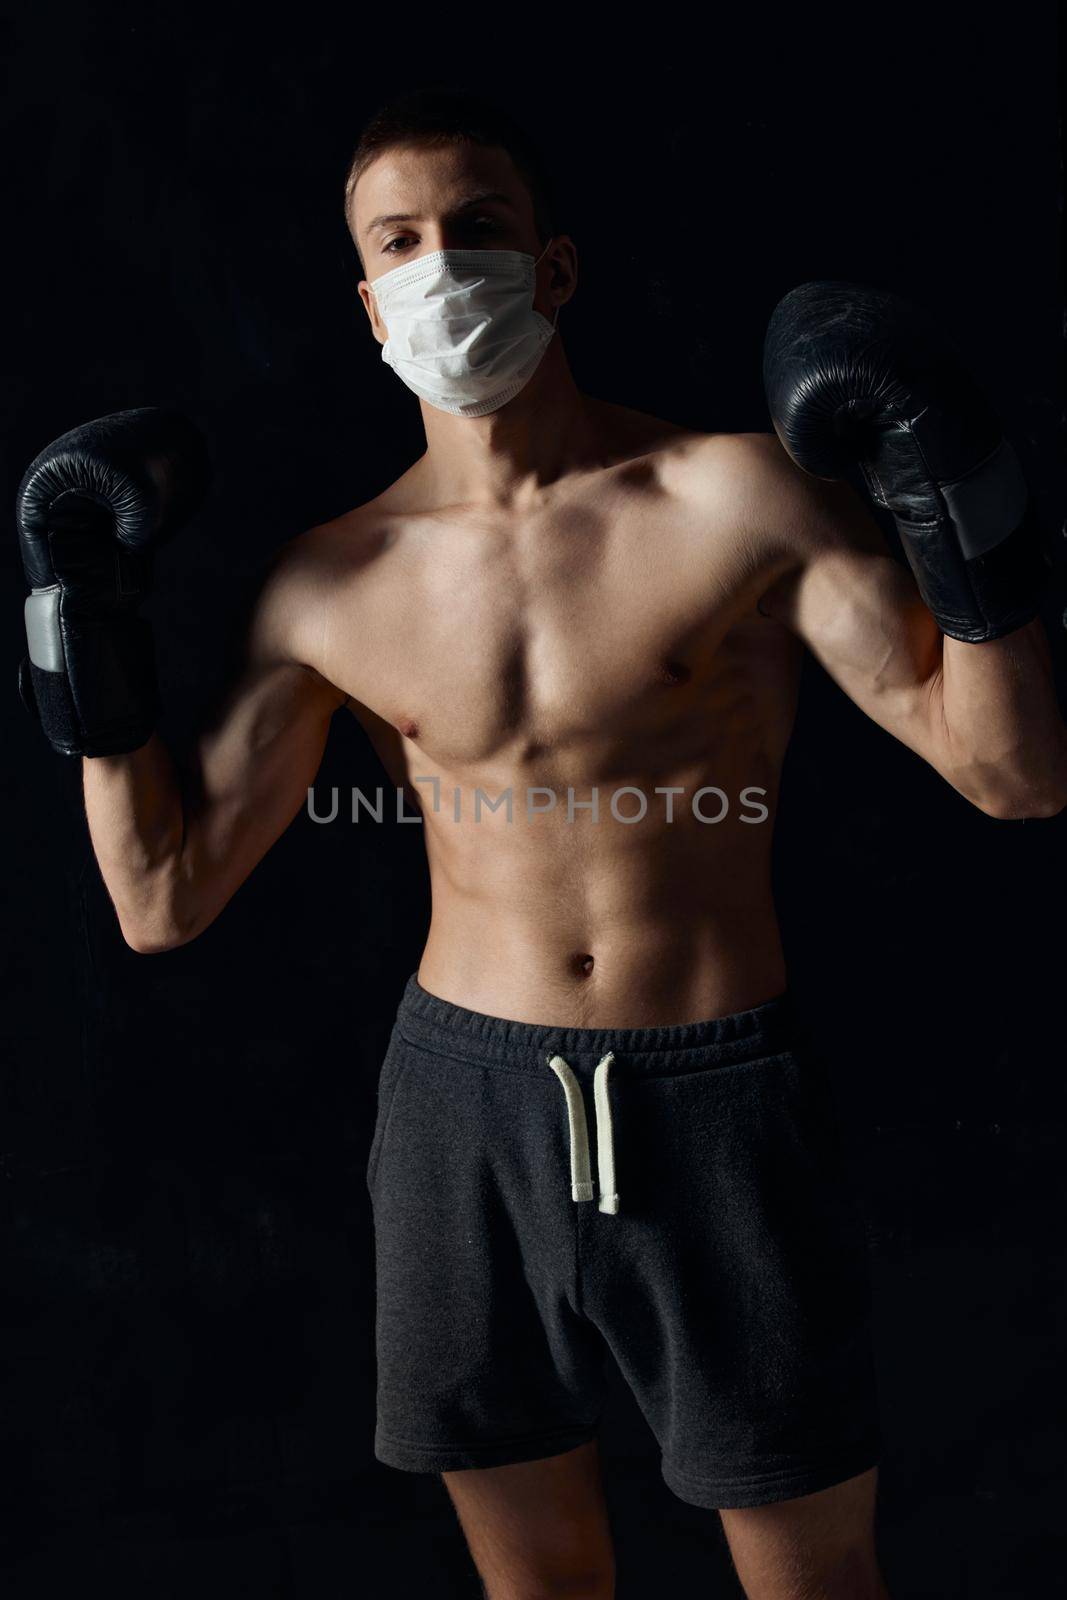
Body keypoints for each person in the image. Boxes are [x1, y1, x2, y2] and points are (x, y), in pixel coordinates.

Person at [16, 85, 1067, 1600]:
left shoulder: (735, 500)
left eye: (480, 231)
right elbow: (160, 900)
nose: (445, 268)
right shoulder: (329, 584)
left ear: (554, 269)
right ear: (367, 295)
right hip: (464, 1108)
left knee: (814, 1577)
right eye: (403, 242)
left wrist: (962, 506)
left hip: (717, 1093)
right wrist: (86, 636)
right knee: (540, 1586)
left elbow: (1015, 774)